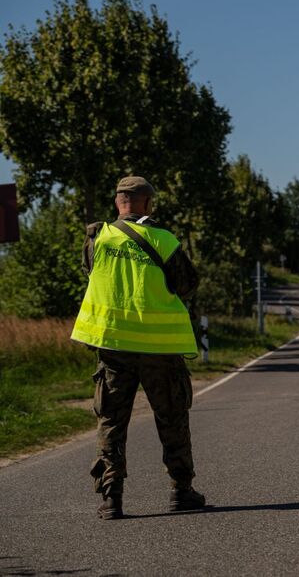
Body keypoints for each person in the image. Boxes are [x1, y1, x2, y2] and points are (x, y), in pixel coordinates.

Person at [71, 176, 206, 519]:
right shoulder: (163, 239)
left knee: (111, 422)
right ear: (146, 203)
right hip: (159, 348)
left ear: (118, 202)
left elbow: (91, 273)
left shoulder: (97, 238)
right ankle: (181, 491)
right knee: (172, 418)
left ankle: (111, 499)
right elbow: (188, 284)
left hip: (113, 346)